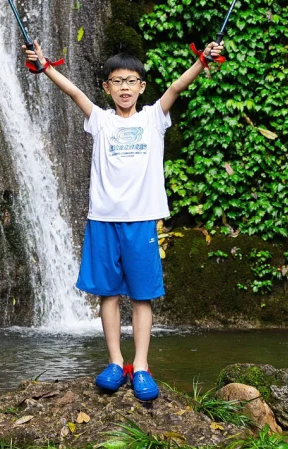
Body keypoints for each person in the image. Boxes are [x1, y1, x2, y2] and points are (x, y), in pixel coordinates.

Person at [24, 37, 223, 400]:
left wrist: (203, 60)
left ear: (142, 86)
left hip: (141, 219)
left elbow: (178, 86)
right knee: (108, 294)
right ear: (107, 87)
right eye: (117, 81)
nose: (125, 88)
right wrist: (45, 65)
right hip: (102, 219)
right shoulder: (99, 120)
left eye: (132, 81)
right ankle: (116, 362)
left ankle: (142, 365)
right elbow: (73, 93)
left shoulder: (153, 119)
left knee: (142, 296)